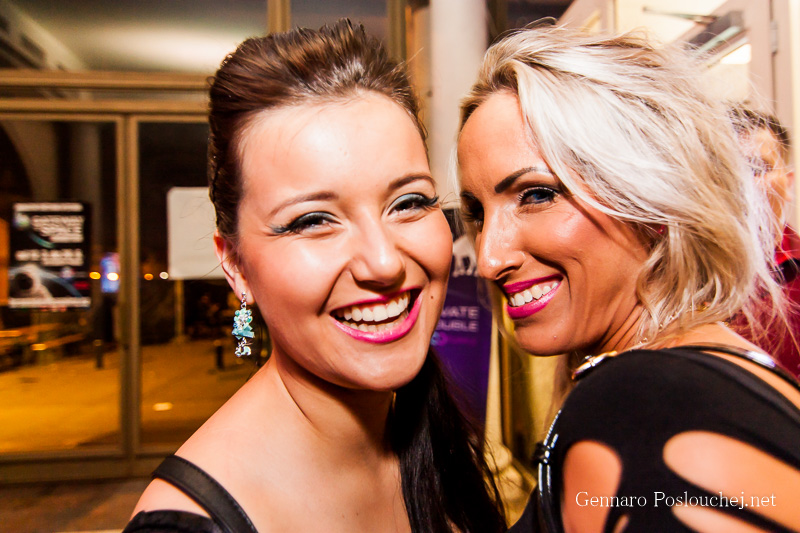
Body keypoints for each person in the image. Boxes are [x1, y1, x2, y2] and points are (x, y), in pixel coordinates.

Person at [124, 20, 505, 533]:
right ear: (235, 265)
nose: (384, 263)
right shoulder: (191, 523)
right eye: (312, 221)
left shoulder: (427, 428)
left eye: (408, 202)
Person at [456, 26, 800, 532]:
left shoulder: (642, 402)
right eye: (477, 213)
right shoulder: (689, 377)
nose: (489, 258)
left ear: (653, 197)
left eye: (537, 195)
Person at [730, 106, 800, 378]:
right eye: (726, 170)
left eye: (756, 168)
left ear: (789, 183)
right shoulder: (668, 273)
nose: (742, 184)